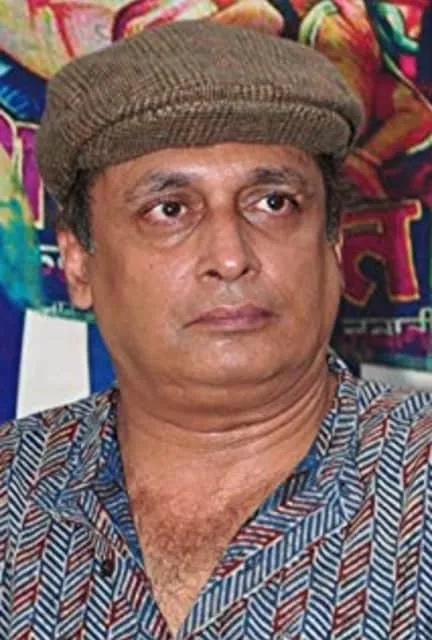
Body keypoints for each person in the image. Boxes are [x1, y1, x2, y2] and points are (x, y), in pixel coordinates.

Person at [0, 20, 431, 639]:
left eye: (274, 203)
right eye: (169, 210)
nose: (230, 257)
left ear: (333, 243)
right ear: (78, 263)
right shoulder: (13, 490)